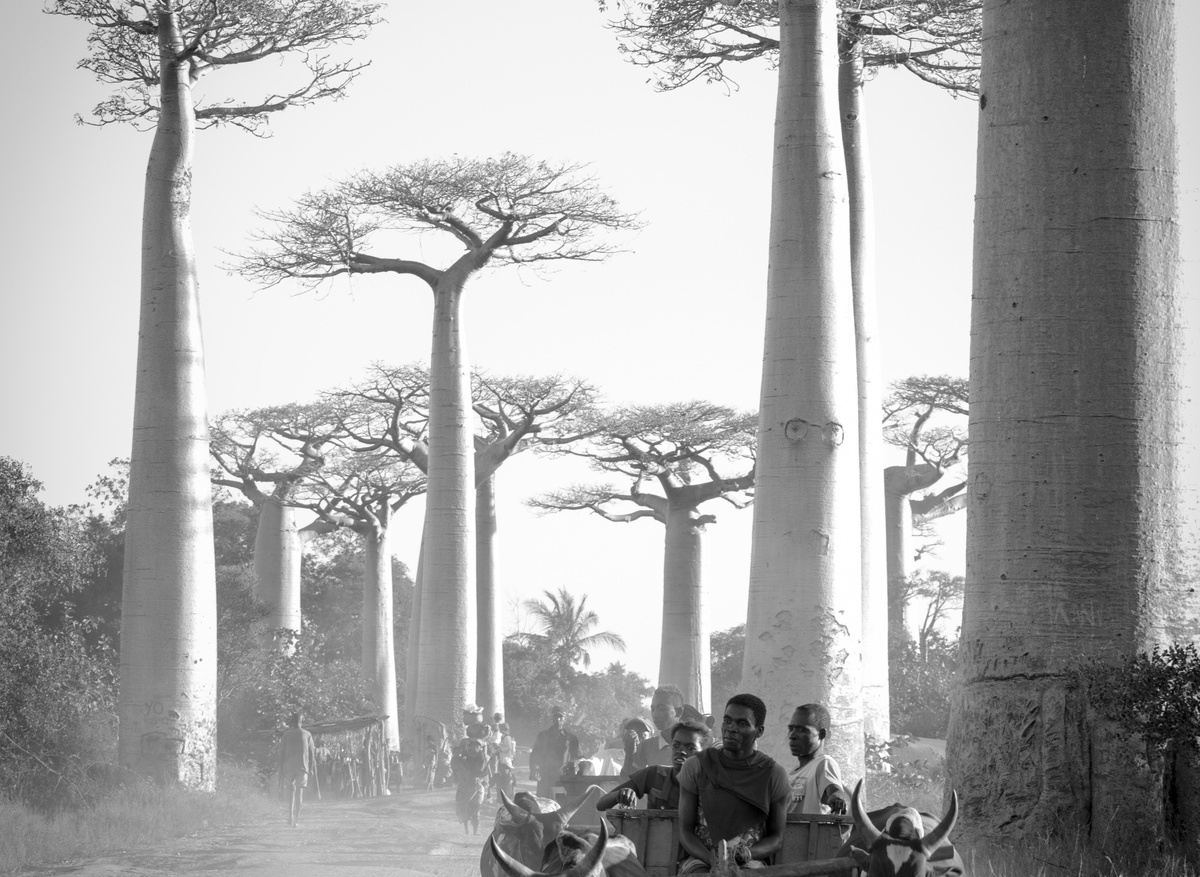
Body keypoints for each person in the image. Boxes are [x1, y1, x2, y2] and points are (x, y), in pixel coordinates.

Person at [676, 694, 791, 873]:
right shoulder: (696, 766)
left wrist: (748, 854)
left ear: (759, 731)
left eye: (742, 723)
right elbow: (686, 832)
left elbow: (776, 838)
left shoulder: (774, 774)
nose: (731, 728)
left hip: (749, 863)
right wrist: (713, 860)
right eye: (727, 721)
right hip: (700, 860)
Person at [597, 719, 707, 812]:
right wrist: (621, 794)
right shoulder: (654, 774)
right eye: (676, 745)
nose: (681, 751)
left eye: (690, 747)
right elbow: (601, 804)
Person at [786, 703, 848, 815]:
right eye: (791, 729)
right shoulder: (793, 773)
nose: (792, 735)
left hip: (811, 832)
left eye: (801, 730)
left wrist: (838, 798)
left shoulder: (823, 763)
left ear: (822, 734)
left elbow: (835, 790)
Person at [277, 712, 319, 827]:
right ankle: (296, 819)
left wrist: (280, 769)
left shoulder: (286, 735)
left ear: (292, 722)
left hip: (289, 767)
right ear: (301, 721)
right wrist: (311, 769)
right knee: (299, 792)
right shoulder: (307, 734)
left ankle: (290, 817)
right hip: (302, 767)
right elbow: (312, 754)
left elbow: (281, 753)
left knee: (291, 792)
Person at [631, 684, 685, 771]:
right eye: (653, 709)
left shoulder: (698, 745)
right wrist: (629, 752)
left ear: (678, 712)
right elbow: (629, 779)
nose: (655, 715)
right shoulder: (646, 747)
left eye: (662, 709)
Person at [529, 706, 579, 798]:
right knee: (543, 804)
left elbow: (576, 757)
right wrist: (534, 769)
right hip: (544, 776)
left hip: (562, 778)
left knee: (559, 805)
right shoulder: (542, 736)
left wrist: (573, 769)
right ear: (552, 718)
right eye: (555, 716)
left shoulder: (571, 738)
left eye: (561, 717)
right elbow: (535, 754)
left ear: (565, 719)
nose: (558, 719)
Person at [451, 734, 491, 835]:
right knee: (464, 808)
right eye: (472, 745)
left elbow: (486, 771)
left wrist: (483, 780)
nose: (474, 747)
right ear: (469, 746)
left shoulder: (484, 757)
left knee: (476, 808)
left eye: (476, 745)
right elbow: (457, 768)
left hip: (477, 786)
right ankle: (466, 831)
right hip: (465, 785)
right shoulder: (463, 757)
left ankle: (475, 832)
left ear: (480, 746)